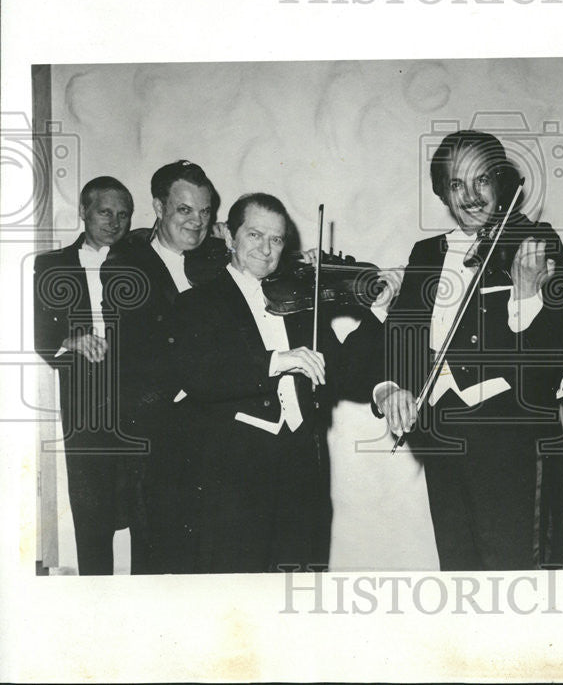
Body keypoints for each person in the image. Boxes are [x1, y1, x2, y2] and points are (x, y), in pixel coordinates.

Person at [373, 130, 563, 571]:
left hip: (511, 439)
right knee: (459, 573)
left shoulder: (534, 241)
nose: (471, 196)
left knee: (518, 578)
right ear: (444, 192)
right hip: (440, 434)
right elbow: (400, 339)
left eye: (482, 180)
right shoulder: (426, 253)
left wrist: (524, 295)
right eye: (457, 184)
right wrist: (392, 388)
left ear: (502, 183)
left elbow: (558, 350)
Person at [171, 193, 375, 572]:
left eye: (277, 239)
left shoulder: (299, 302)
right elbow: (200, 375)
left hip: (302, 466)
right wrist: (276, 361)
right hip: (234, 474)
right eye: (254, 235)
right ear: (230, 237)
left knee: (297, 585)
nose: (266, 250)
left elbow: (349, 375)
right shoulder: (198, 302)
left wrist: (378, 313)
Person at [102, 159, 224, 573]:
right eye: (185, 210)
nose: (197, 222)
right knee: (160, 562)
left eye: (205, 212)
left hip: (217, 434)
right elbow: (136, 358)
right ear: (159, 207)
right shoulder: (125, 268)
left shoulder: (217, 264)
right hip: (160, 438)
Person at [34, 176, 134, 574]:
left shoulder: (140, 259)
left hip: (137, 398)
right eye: (105, 212)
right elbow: (35, 329)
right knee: (91, 511)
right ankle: (96, 598)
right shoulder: (50, 265)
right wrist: (69, 341)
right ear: (83, 211)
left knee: (144, 509)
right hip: (85, 401)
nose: (115, 222)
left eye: (123, 214)